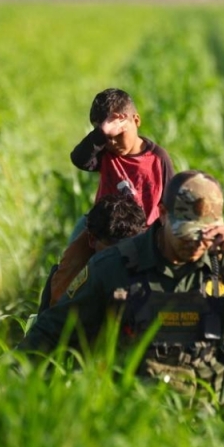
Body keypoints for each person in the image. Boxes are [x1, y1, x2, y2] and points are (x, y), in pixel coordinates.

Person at [15, 170, 224, 404]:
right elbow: (54, 330)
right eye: (186, 234)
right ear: (162, 214)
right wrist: (6, 379)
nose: (196, 245)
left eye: (204, 235)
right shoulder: (114, 266)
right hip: (129, 416)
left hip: (203, 415)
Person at [57, 88, 176, 303]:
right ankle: (54, 317)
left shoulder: (158, 159)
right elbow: (79, 159)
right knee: (69, 265)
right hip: (102, 229)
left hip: (142, 233)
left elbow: (169, 202)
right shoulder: (105, 154)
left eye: (118, 135)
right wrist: (102, 134)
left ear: (136, 120)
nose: (112, 143)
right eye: (107, 138)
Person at [37, 193, 147, 312]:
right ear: (92, 240)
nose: (118, 259)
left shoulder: (152, 272)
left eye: (126, 249)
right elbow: (55, 319)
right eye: (112, 250)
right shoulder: (73, 278)